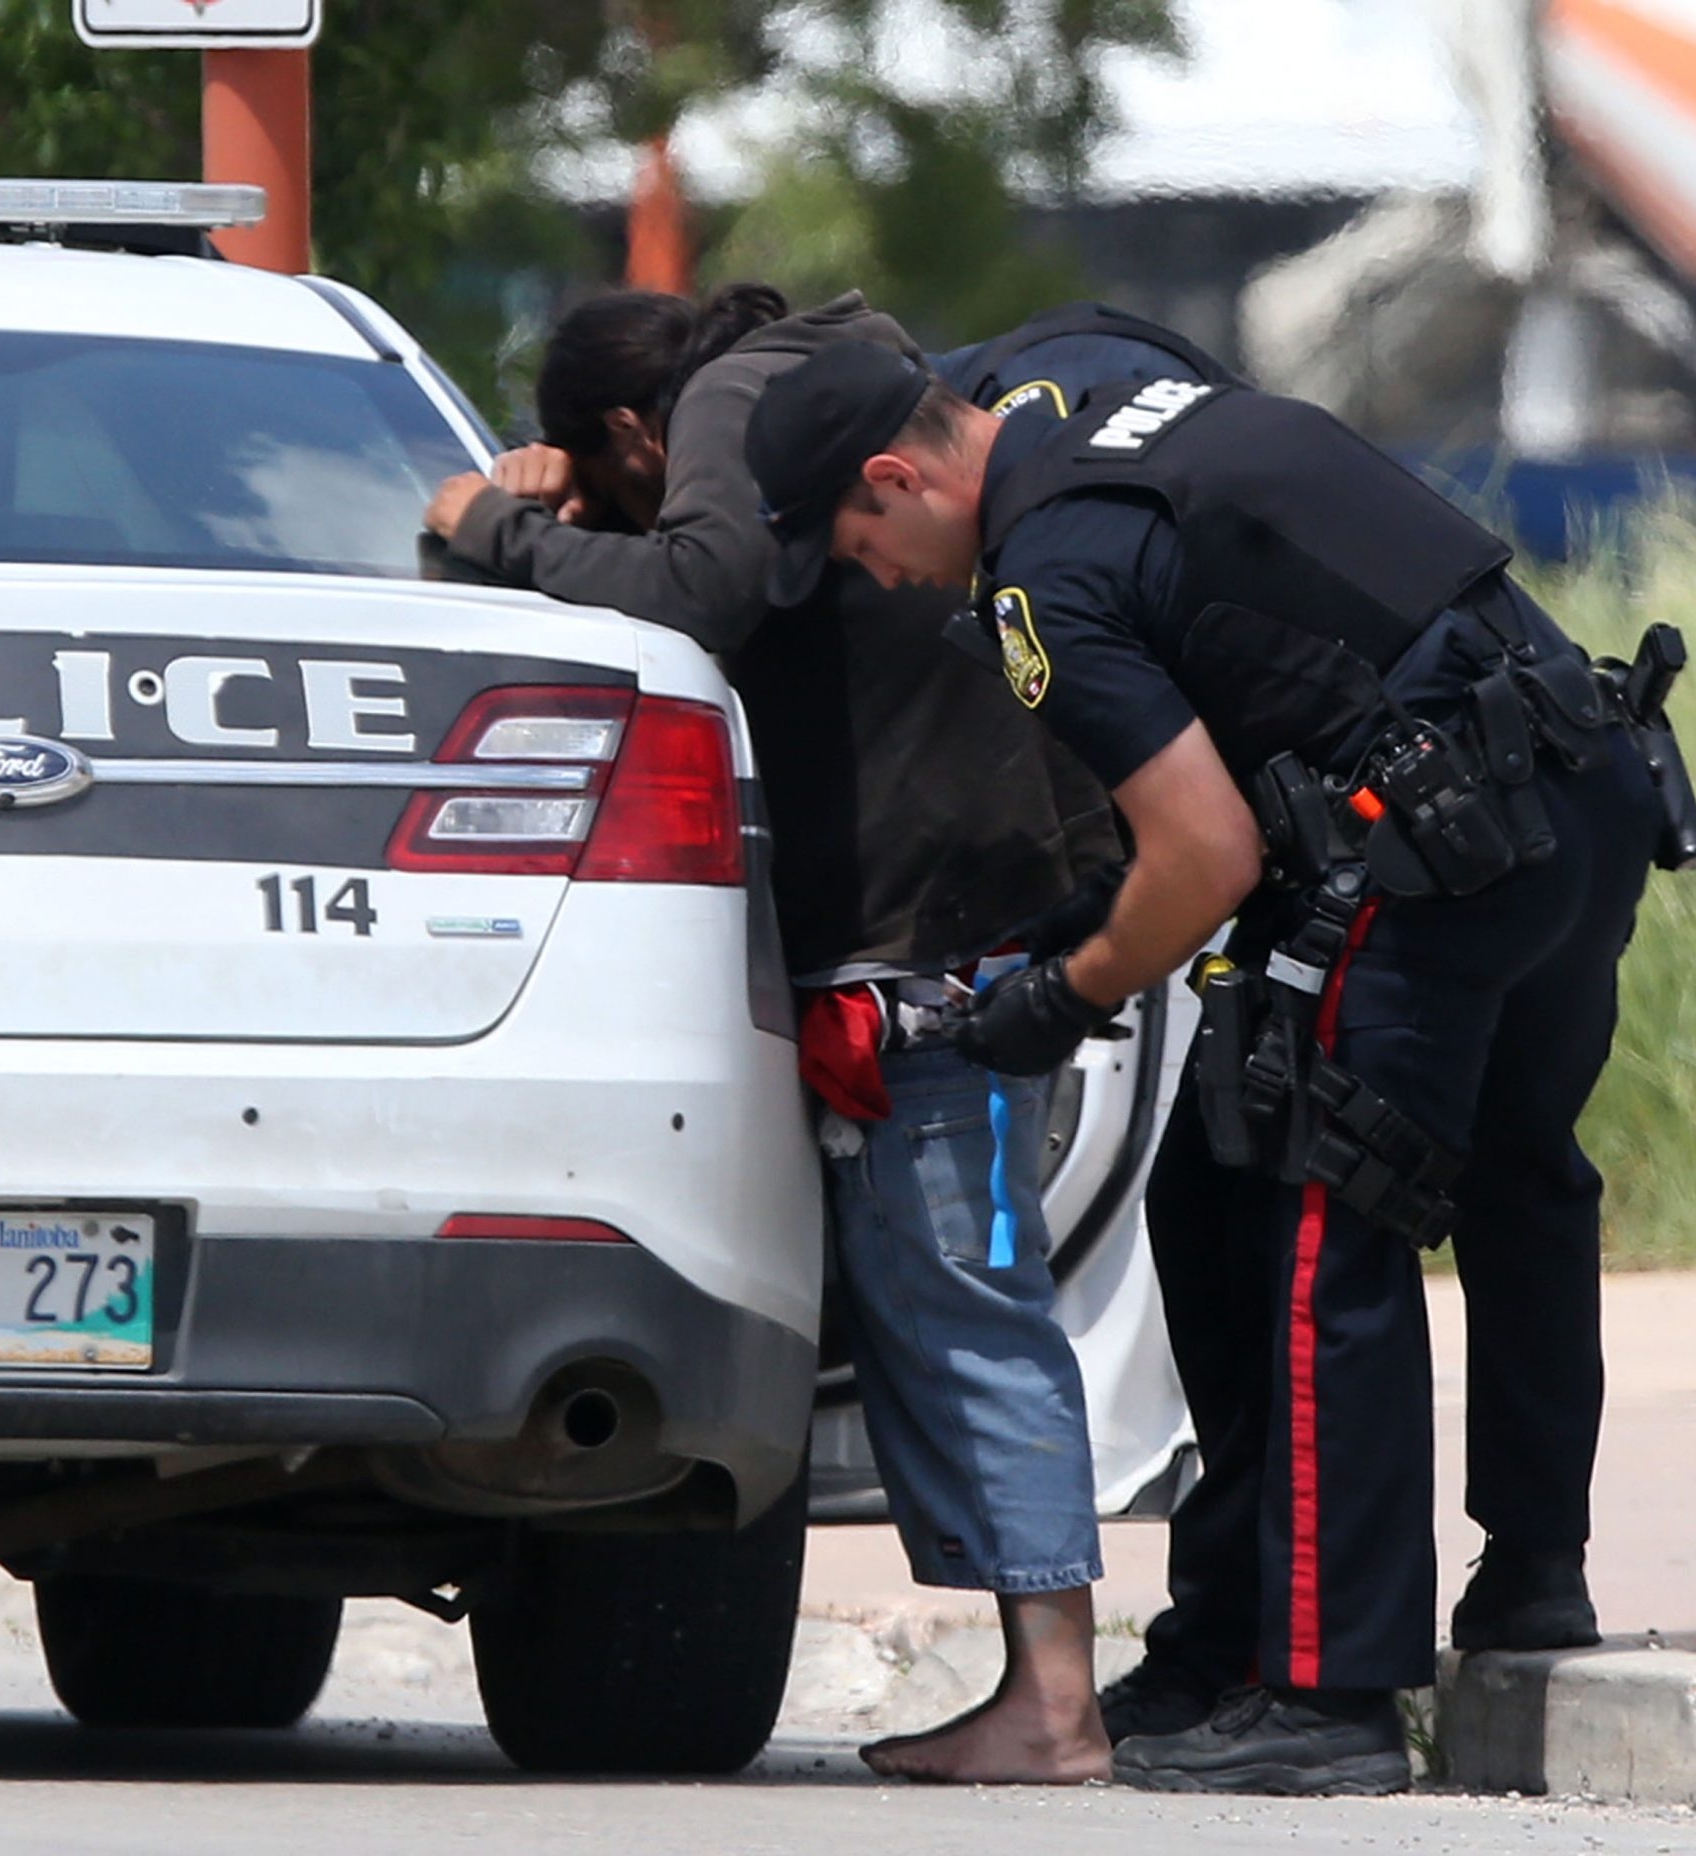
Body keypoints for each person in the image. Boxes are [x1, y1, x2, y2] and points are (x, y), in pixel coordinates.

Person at [742, 343, 1670, 1795]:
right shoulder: (1092, 407)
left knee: (1309, 1217)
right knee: (1485, 1183)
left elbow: (1208, 854)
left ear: (898, 475)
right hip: (1575, 777)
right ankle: (1468, 1588)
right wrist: (1071, 933)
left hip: (1436, 836)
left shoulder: (1038, 575)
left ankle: (1330, 1691)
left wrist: (1064, 996)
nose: (881, 578)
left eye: (863, 544)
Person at [422, 286, 1208, 1784]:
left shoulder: (735, 399)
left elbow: (699, 590)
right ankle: (1040, 1690)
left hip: (931, 950)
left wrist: (498, 527)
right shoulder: (821, 375)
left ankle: (1054, 1704)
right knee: (940, 1306)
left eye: (615, 489)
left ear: (639, 431)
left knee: (964, 1304)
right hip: (948, 924)